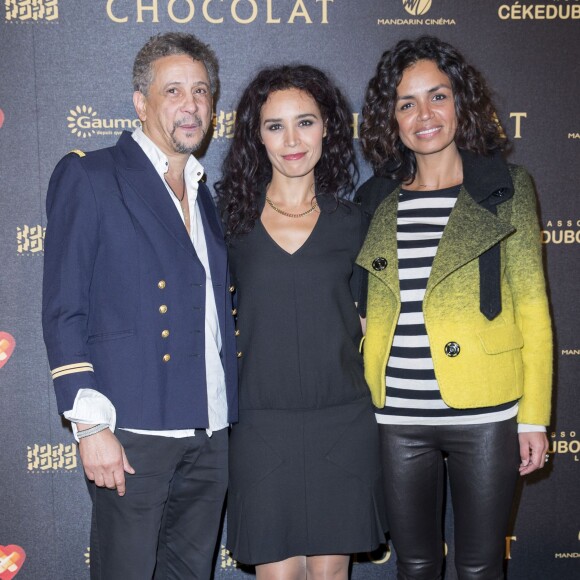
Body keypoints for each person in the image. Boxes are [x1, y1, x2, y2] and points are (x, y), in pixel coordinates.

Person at [42, 32, 238, 580]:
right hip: (131, 430)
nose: (191, 104)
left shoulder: (204, 191)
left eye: (201, 91)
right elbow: (64, 308)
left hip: (211, 428)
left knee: (190, 573)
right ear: (140, 102)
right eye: (173, 90)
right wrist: (89, 426)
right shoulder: (92, 174)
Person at [356, 36, 552, 579]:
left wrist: (533, 416)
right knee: (415, 563)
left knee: (480, 565)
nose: (424, 114)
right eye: (406, 103)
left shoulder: (507, 187)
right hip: (396, 414)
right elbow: (362, 307)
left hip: (487, 411)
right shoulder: (376, 200)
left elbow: (533, 310)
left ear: (460, 102)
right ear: (390, 118)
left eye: (436, 96)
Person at [216, 65, 385, 580]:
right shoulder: (227, 219)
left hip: (344, 419)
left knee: (331, 575)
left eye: (305, 122)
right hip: (260, 423)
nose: (292, 140)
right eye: (274, 126)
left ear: (328, 127)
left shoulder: (356, 221)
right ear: (256, 135)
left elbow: (373, 321)